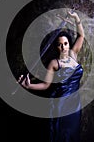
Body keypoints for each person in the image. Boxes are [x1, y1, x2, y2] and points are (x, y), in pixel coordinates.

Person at [18, 10, 85, 142]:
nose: (63, 47)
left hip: (74, 104)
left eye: (65, 43)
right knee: (59, 135)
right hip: (61, 103)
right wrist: (28, 86)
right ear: (56, 47)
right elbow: (46, 85)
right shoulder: (54, 63)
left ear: (69, 44)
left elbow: (81, 36)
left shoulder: (73, 54)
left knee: (73, 133)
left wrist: (76, 17)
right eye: (59, 45)